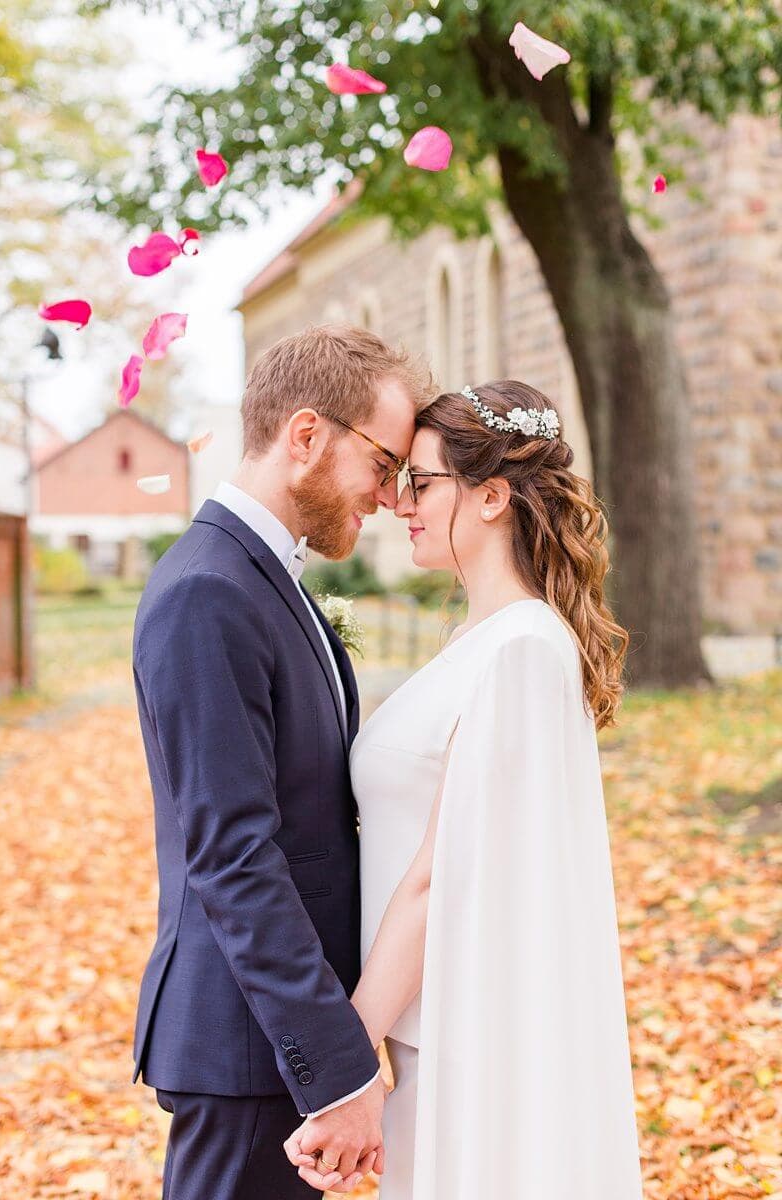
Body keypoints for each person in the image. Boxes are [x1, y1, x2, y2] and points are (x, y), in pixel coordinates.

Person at [286, 380, 645, 1199]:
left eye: (420, 481)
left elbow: (437, 875)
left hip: (462, 1030)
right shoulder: (479, 640)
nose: (397, 499)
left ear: (491, 497)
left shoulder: (519, 649)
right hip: (426, 1023)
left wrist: (348, 1056)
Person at [130, 324, 434, 1200]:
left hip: (273, 1039)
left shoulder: (263, 579)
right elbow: (233, 856)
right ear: (307, 436)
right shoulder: (206, 593)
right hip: (244, 1043)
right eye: (382, 463)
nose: (387, 494)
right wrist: (338, 1066)